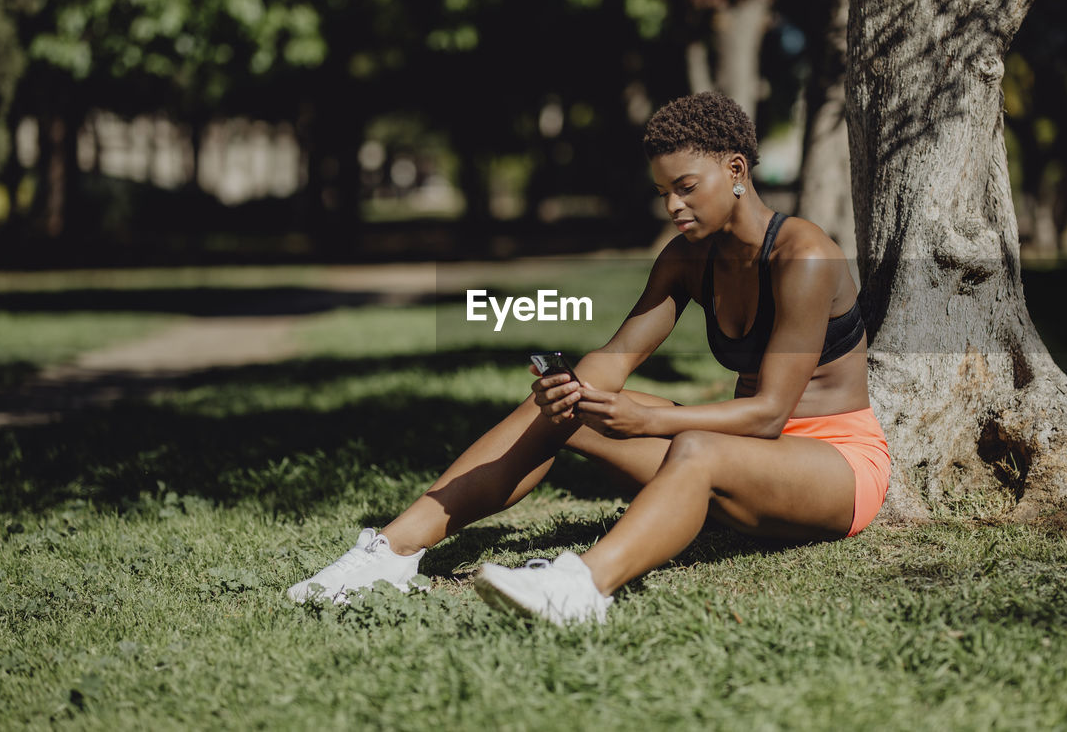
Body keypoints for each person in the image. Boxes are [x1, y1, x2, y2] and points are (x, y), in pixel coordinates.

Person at [287, 91, 890, 624]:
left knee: (696, 447)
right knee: (566, 404)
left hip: (834, 465)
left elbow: (767, 415)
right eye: (663, 192)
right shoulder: (687, 258)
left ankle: (581, 587)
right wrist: (566, 391)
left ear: (736, 170)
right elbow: (616, 358)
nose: (674, 207)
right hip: (754, 460)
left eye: (686, 187)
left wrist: (650, 420)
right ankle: (390, 553)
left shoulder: (804, 255)